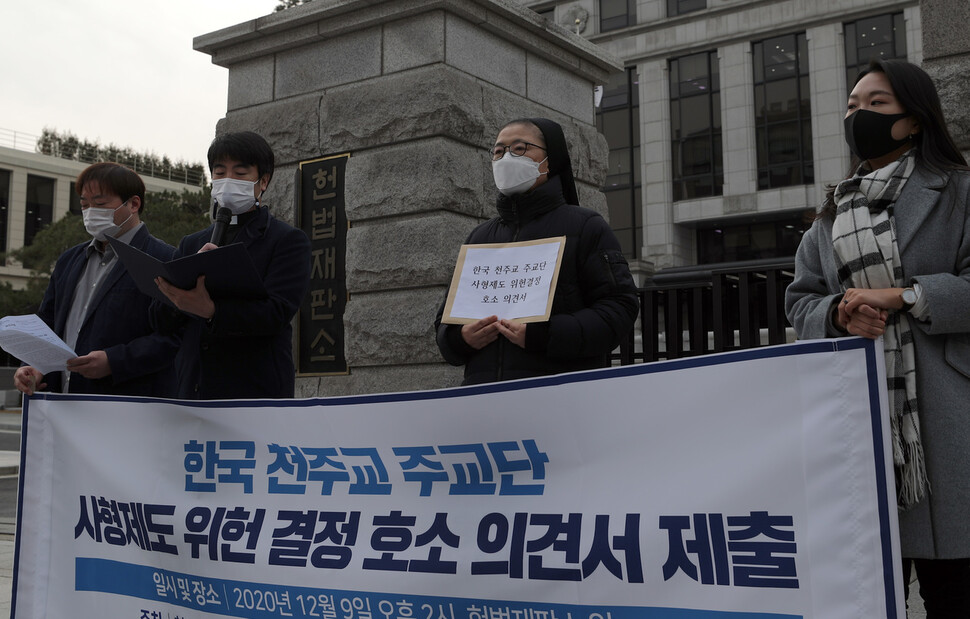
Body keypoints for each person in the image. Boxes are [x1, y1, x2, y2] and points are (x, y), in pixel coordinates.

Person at [785, 59, 970, 617]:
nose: (858, 114)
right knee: (867, 589)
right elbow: (800, 300)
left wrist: (907, 296)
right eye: (852, 105)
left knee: (955, 590)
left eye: (876, 104)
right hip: (860, 419)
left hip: (946, 415)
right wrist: (839, 315)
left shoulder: (958, 191)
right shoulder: (832, 211)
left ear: (914, 119)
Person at [435, 117, 638, 385]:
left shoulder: (585, 226)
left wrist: (546, 335)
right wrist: (460, 338)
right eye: (498, 151)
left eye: (520, 148)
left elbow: (619, 308)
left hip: (558, 397)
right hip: (483, 400)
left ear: (550, 159)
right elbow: (445, 321)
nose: (506, 158)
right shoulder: (480, 236)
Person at [152, 131, 311, 399]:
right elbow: (158, 320)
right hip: (192, 390)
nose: (228, 181)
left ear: (263, 181)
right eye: (219, 172)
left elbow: (276, 313)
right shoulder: (192, 243)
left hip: (253, 391)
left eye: (240, 173)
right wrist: (180, 295)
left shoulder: (287, 240)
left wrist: (212, 311)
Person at [13, 162, 178, 397]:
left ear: (133, 204)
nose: (90, 212)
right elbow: (47, 323)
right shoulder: (69, 260)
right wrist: (31, 366)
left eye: (100, 204)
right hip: (62, 405)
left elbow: (174, 338)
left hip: (127, 408)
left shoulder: (163, 258)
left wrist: (114, 361)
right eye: (84, 204)